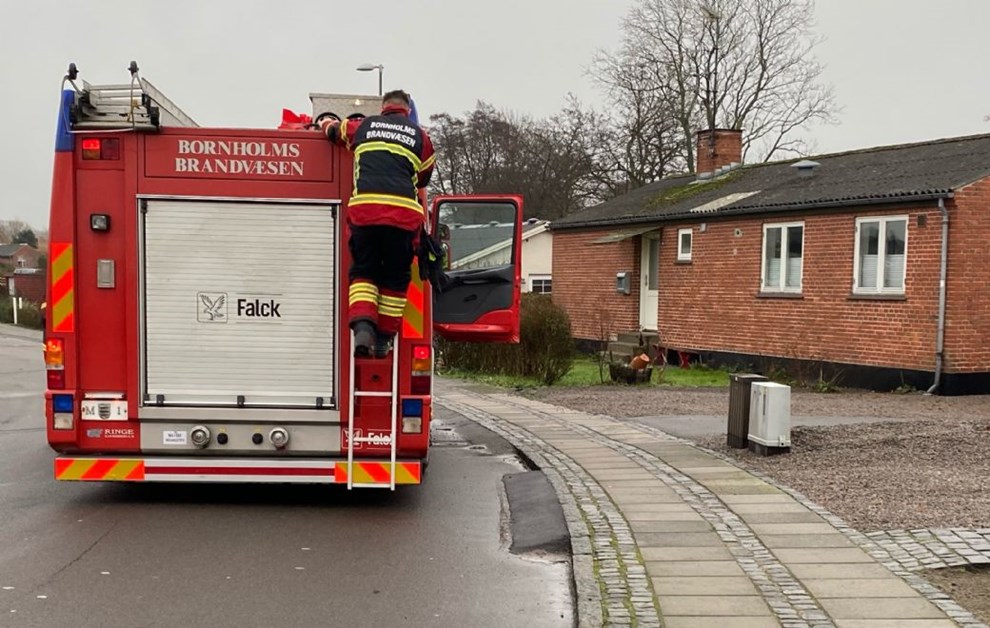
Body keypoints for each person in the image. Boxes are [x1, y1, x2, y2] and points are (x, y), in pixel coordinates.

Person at [319, 90, 435, 358]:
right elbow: (424, 177)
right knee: (395, 276)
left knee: (364, 271)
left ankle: (363, 328)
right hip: (403, 217)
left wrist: (325, 121)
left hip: (366, 213)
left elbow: (334, 131)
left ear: (383, 108)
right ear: (407, 110)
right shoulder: (421, 137)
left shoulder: (363, 126)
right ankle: (383, 339)